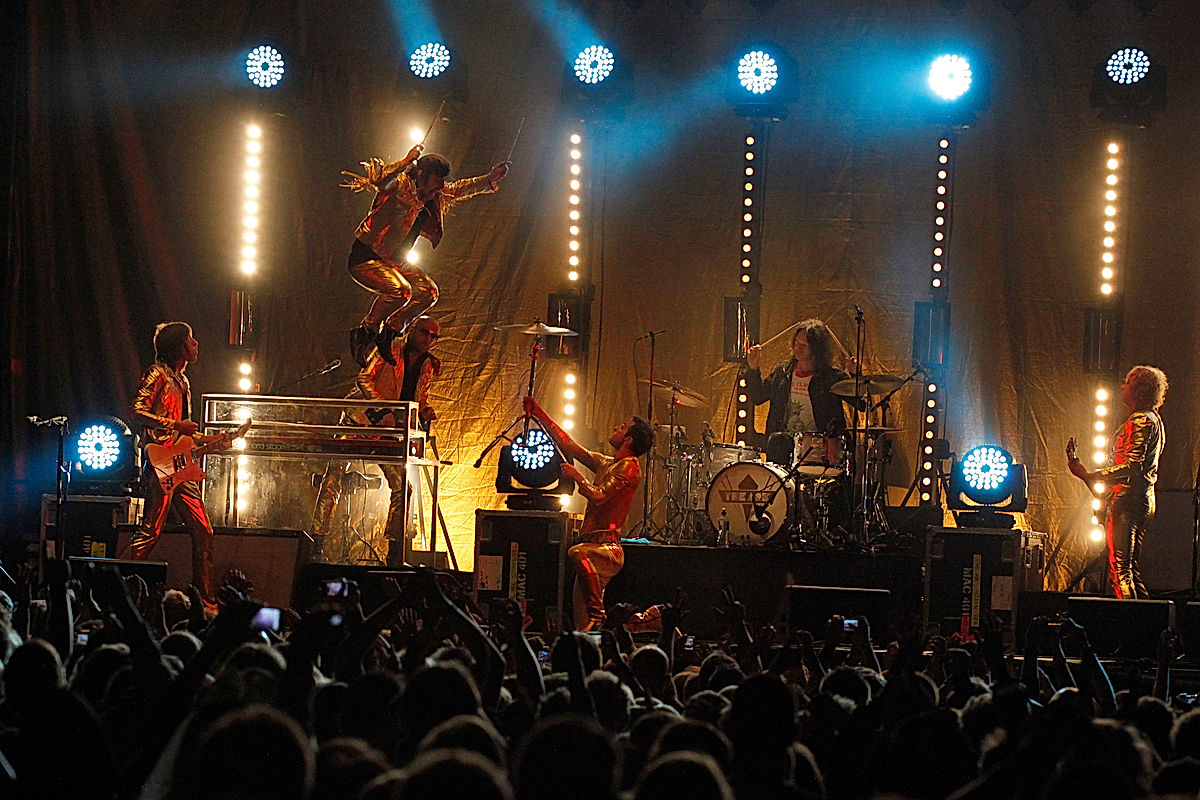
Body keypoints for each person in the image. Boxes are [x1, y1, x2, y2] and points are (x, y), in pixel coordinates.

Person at [341, 144, 510, 367]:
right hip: (367, 257)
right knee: (401, 291)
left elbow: (458, 189)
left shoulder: (433, 195)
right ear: (421, 174)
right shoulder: (399, 185)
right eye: (436, 180)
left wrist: (489, 178)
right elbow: (381, 180)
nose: (439, 187)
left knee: (428, 293)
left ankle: (389, 333)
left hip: (395, 262)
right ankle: (366, 332)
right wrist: (404, 162)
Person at [312, 315, 441, 566]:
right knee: (332, 480)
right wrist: (382, 411)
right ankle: (316, 542)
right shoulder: (389, 348)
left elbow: (419, 398)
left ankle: (394, 553)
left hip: (387, 432)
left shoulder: (428, 365)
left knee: (403, 487)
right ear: (412, 329)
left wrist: (425, 411)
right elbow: (364, 379)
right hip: (359, 421)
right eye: (425, 332)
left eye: (434, 336)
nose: (429, 339)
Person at [523, 396, 654, 632]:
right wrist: (538, 413)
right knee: (582, 624)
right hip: (593, 548)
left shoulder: (630, 466)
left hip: (606, 549)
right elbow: (570, 445)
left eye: (622, 427)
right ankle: (640, 623)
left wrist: (579, 478)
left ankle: (599, 612)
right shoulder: (608, 463)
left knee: (577, 553)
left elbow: (599, 496)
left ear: (629, 439)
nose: (616, 428)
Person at [127, 321, 216, 609]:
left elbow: (184, 433)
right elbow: (136, 410)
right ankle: (120, 587)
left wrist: (211, 440)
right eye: (191, 340)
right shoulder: (157, 374)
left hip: (181, 465)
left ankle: (206, 600)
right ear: (178, 346)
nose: (196, 344)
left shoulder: (183, 382)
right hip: (161, 464)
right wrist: (176, 425)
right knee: (151, 531)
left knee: (204, 531)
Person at [1068, 365, 1168, 599]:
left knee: (1119, 569)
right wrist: (1086, 475)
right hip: (1140, 499)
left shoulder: (1141, 421)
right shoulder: (1152, 419)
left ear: (1140, 391)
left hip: (1128, 501)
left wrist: (1095, 475)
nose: (1122, 387)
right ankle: (1145, 617)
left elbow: (1133, 466)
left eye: (1128, 383)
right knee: (1130, 569)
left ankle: (1129, 618)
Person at [742, 318, 855, 465]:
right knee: (776, 441)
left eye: (804, 345)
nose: (798, 348)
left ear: (816, 349)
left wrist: (855, 375)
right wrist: (753, 368)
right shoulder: (783, 373)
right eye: (796, 343)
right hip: (784, 446)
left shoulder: (831, 377)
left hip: (820, 447)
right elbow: (757, 397)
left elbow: (861, 403)